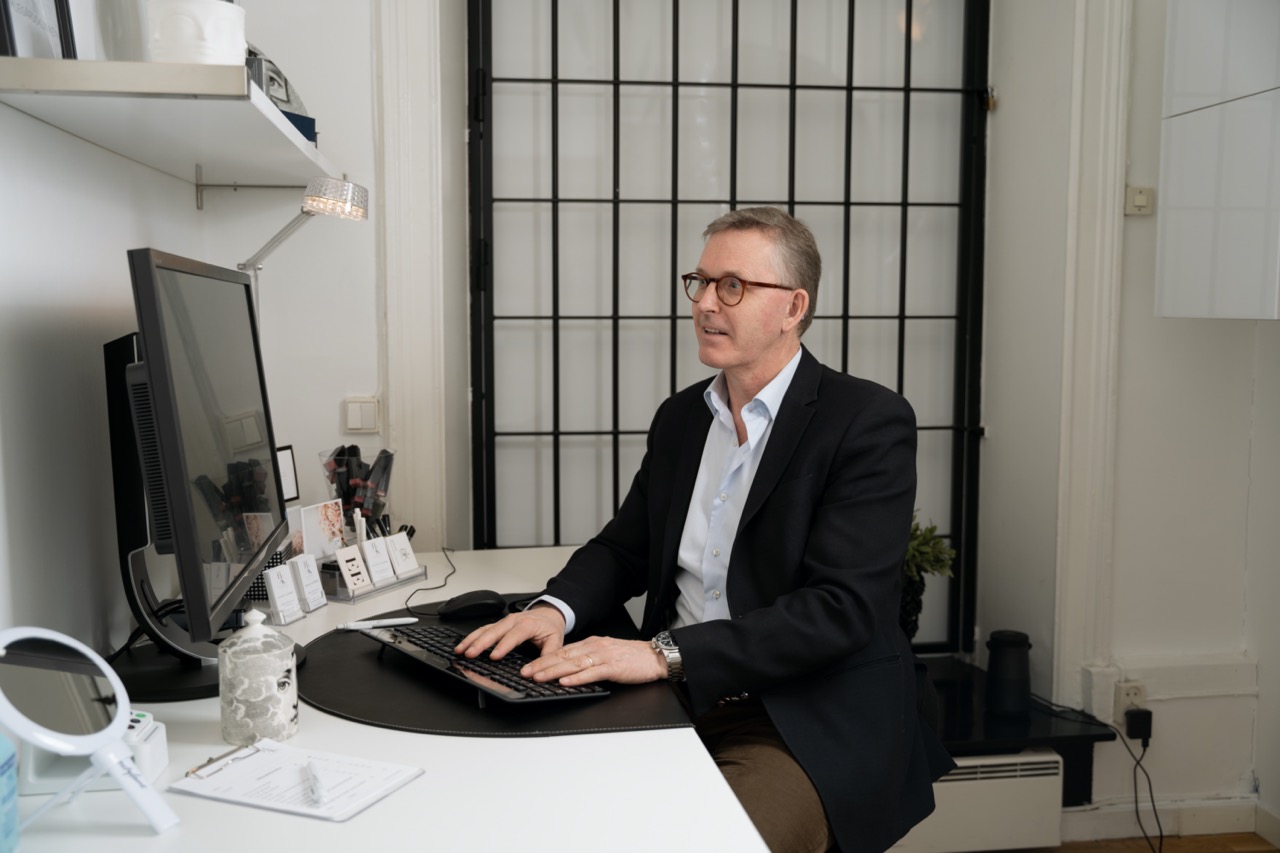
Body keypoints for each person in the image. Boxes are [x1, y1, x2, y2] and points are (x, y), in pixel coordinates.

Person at [457, 207, 954, 853]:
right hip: (670, 693)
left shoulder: (866, 420)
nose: (706, 304)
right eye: (701, 281)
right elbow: (624, 546)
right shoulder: (683, 417)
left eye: (734, 286)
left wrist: (663, 651)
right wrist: (554, 609)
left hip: (799, 712)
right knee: (525, 807)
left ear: (793, 306)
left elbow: (842, 610)